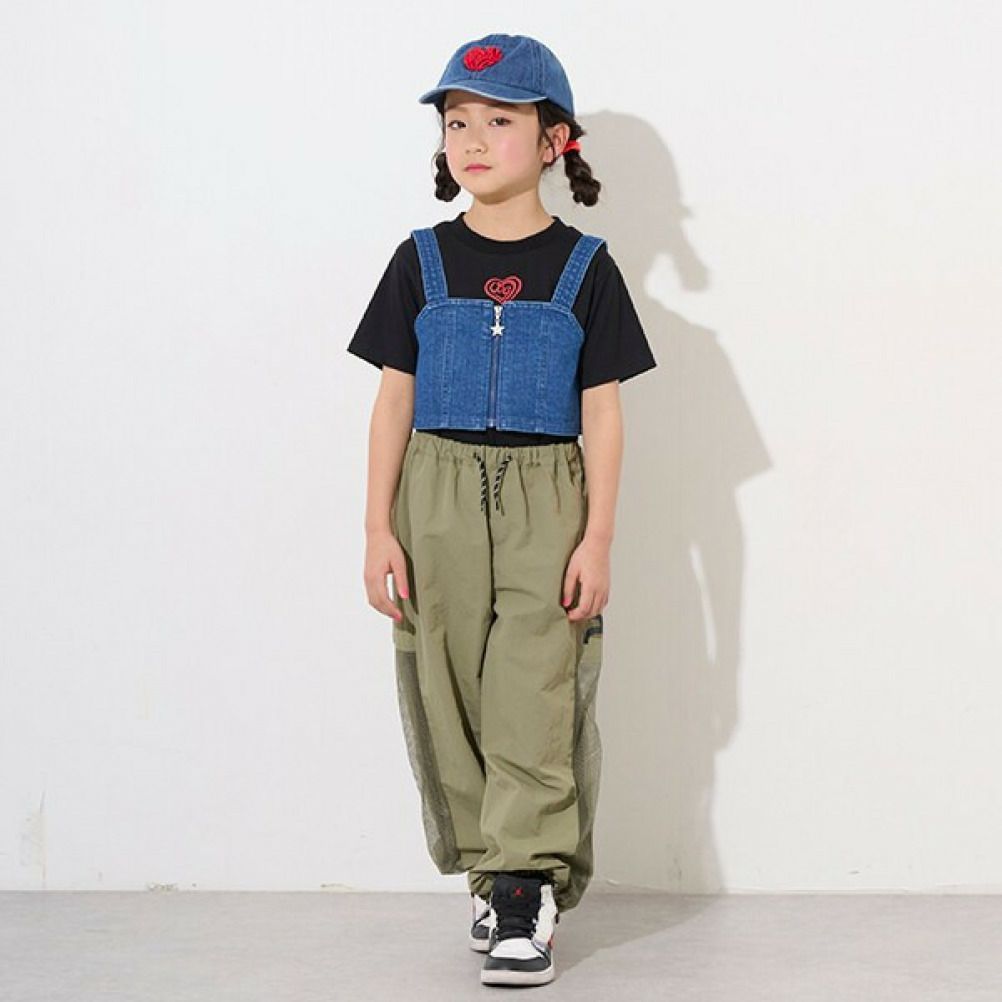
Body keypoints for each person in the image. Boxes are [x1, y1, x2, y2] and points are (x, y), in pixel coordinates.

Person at [347, 33, 657, 988]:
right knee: (444, 686)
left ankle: (526, 888)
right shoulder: (421, 261)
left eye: (498, 119)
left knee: (535, 686)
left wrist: (597, 537)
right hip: (433, 493)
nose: (472, 139)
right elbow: (392, 400)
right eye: (456, 122)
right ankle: (489, 874)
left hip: (545, 499)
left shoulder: (586, 268)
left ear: (556, 139)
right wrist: (377, 527)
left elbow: (603, 414)